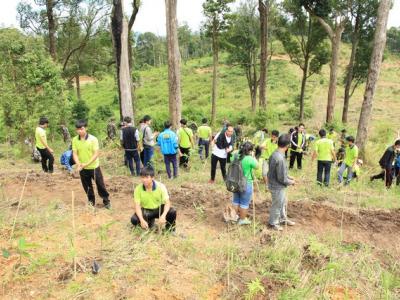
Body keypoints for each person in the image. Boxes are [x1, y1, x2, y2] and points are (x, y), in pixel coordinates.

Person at [72, 119, 110, 209]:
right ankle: (91, 202)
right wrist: (78, 164)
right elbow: (74, 153)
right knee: (87, 187)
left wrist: (86, 164)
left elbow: (96, 154)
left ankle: (106, 201)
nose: (79, 131)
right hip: (83, 169)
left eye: (81, 129)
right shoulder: (74, 140)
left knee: (100, 185)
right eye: (77, 129)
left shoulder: (93, 139)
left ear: (86, 128)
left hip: (94, 167)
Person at [130, 167, 176, 232]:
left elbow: (167, 203)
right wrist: (141, 220)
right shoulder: (138, 189)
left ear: (152, 178)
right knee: (134, 219)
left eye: (147, 177)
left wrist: (163, 215)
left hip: (158, 209)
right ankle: (150, 224)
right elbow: (137, 206)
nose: (144, 180)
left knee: (172, 212)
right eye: (142, 177)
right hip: (147, 211)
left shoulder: (161, 186)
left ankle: (170, 230)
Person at [267, 134, 296, 231]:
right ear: (287, 145)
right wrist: (291, 182)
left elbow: (279, 172)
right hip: (277, 186)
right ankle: (273, 223)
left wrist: (288, 176)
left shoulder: (275, 154)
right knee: (277, 204)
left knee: (282, 203)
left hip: (275, 183)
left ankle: (282, 218)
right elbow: (281, 178)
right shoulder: (279, 158)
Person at [232, 142, 258, 225]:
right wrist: (253, 157)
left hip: (235, 182)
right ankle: (242, 220)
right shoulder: (249, 158)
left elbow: (230, 161)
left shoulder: (235, 155)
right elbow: (256, 167)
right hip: (246, 183)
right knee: (244, 203)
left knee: (236, 201)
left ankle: (234, 218)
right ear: (250, 150)